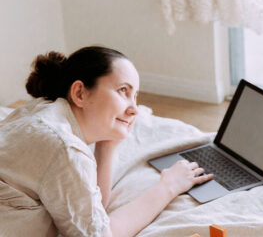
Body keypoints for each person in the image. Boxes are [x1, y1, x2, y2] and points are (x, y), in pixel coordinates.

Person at [0, 46, 213, 236]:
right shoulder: (64, 148)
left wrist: (107, 145)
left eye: (135, 96)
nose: (134, 109)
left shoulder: (39, 109)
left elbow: (91, 209)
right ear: (79, 93)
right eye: (123, 90)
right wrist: (169, 186)